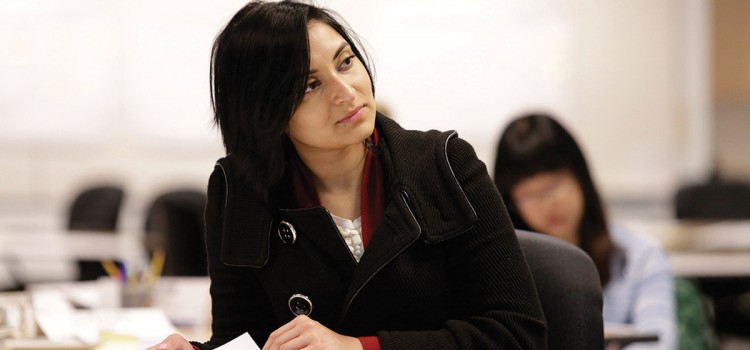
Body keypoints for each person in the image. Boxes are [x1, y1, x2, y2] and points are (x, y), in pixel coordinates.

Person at [148, 1, 546, 349]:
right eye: (310, 85)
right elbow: (244, 340)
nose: (346, 91)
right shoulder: (240, 189)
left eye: (346, 62)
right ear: (265, 114)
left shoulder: (445, 165)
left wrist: (359, 348)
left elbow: (518, 334)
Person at [493, 113, 677, 349]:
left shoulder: (641, 257)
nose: (547, 204)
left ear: (580, 177)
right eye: (528, 195)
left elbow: (659, 342)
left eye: (554, 184)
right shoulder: (505, 270)